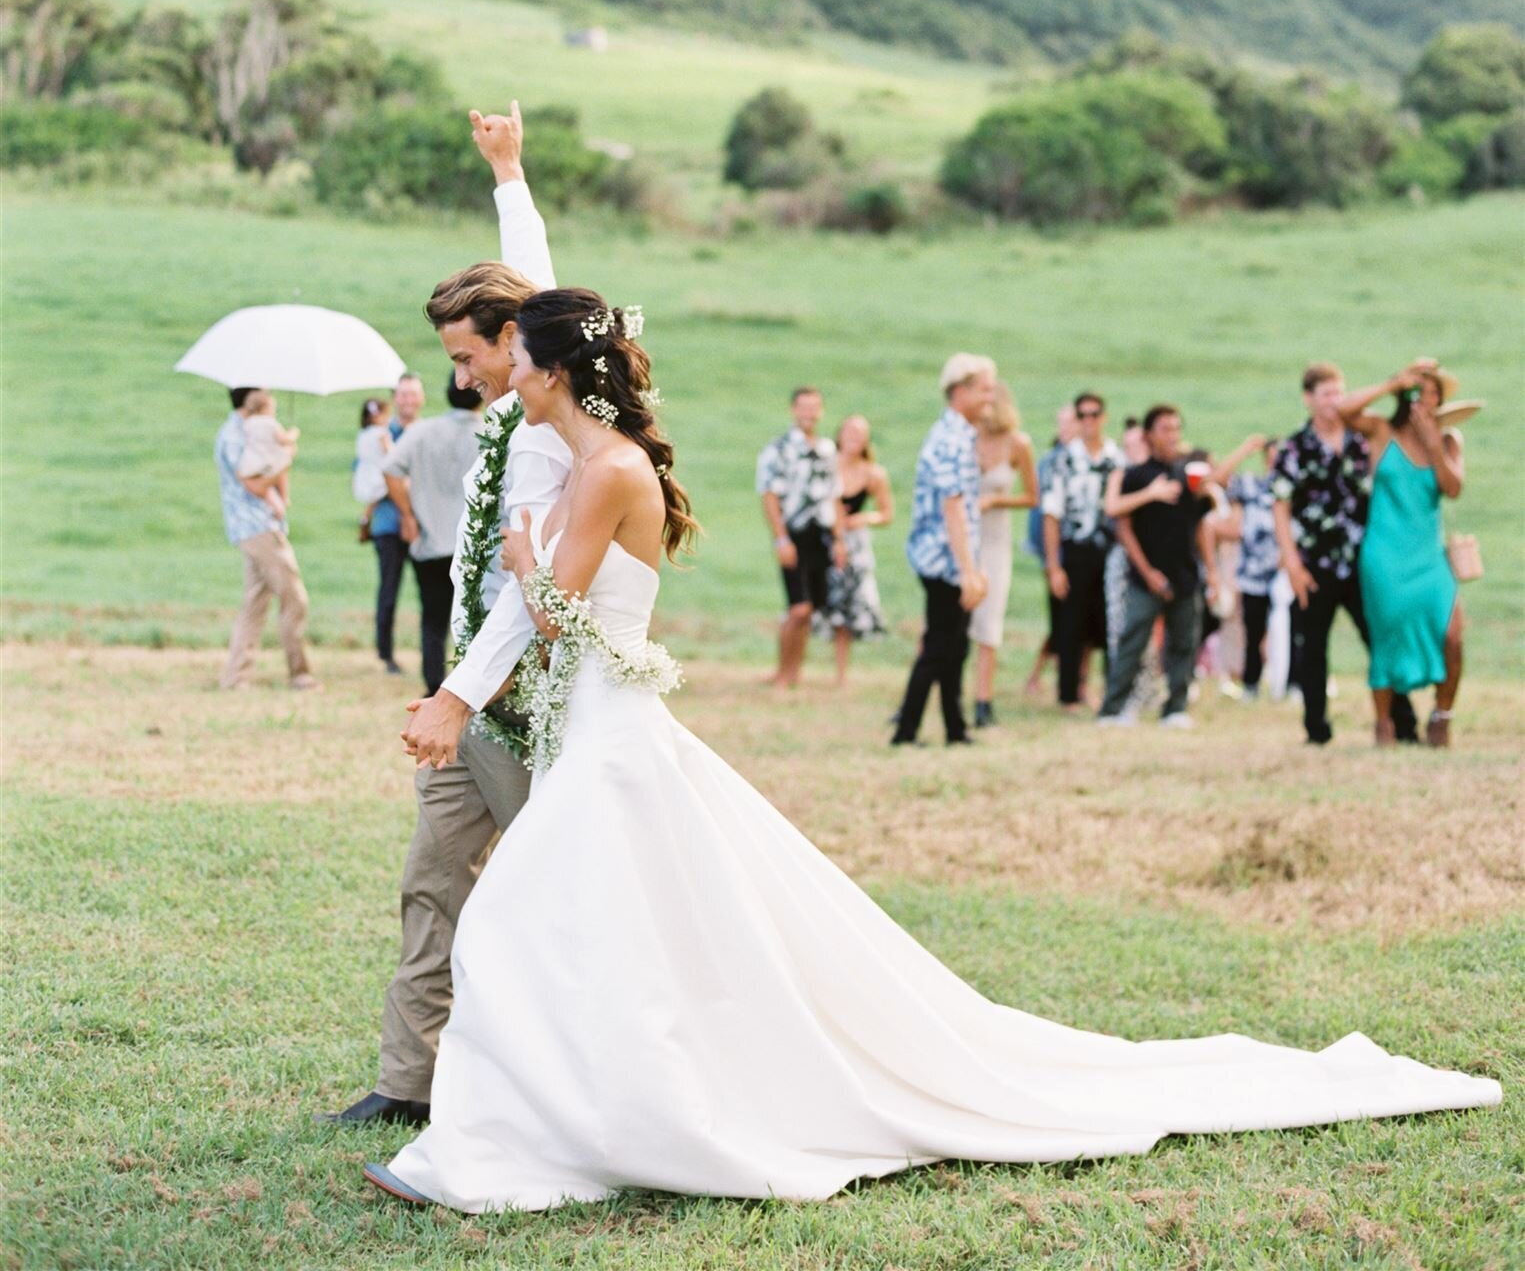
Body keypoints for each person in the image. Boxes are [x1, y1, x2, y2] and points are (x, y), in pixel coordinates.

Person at [359, 291, 1500, 1215]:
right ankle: (568, 1117)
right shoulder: (584, 452)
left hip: (613, 727)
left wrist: (513, 550)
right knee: (593, 925)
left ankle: (517, 1139)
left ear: (553, 368)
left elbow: (559, 614)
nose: (503, 371)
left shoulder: (608, 469)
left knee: (515, 917)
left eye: (517, 357)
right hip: (604, 724)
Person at [322, 104, 568, 1131]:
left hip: (521, 703)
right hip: (469, 699)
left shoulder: (549, 432)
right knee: (430, 881)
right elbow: (534, 281)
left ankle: (556, 1082)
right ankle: (405, 1080)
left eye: (467, 356)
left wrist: (460, 689)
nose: (458, 376)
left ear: (514, 344)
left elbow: (526, 588)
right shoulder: (505, 410)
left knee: (547, 899)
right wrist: (505, 171)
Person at [1270, 364, 1417, 748]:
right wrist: (1292, 563)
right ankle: (1316, 729)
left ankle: (1403, 723)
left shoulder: (1361, 438)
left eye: (1339, 393)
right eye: (1325, 394)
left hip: (1363, 559)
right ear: (1308, 399)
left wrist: (1396, 384)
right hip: (1315, 561)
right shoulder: (1294, 447)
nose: (1334, 402)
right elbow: (1280, 507)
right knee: (1313, 647)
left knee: (1379, 639)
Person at [1338, 363, 1469, 748]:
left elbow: (1453, 488)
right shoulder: (1382, 432)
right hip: (1385, 557)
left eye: (1430, 392)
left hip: (1428, 557)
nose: (1422, 399)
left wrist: (1433, 444)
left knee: (1453, 636)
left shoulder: (1449, 441)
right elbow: (1343, 412)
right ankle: (1383, 725)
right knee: (1387, 638)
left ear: (1440, 400)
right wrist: (1389, 381)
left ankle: (1442, 717)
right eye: (1415, 391)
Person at [891, 355, 993, 747]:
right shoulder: (950, 439)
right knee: (938, 646)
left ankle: (955, 727)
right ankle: (906, 730)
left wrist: (974, 566)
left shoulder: (961, 434)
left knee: (956, 646)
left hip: (954, 558)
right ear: (961, 390)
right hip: (942, 559)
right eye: (984, 388)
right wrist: (969, 570)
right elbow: (953, 507)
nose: (990, 396)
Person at [1096, 405, 1219, 728]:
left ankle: (1175, 708)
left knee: (1183, 644)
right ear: (1150, 435)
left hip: (1185, 574)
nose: (1172, 435)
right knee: (1132, 642)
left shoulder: (1189, 475)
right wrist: (1147, 572)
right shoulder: (1136, 475)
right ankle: (1113, 708)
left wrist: (1212, 571)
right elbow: (1122, 525)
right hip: (1144, 575)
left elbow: (1202, 525)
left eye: (1177, 428)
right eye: (1165, 428)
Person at [383, 374, 486, 697]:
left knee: (433, 618)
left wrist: (407, 515)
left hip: (429, 539)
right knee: (473, 619)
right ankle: (467, 687)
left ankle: (432, 686)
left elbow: (390, 467)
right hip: (472, 545)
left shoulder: (423, 431)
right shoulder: (489, 432)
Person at [214, 386, 316, 692]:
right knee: (294, 597)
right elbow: (254, 485)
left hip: (261, 525)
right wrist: (286, 459)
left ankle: (236, 676)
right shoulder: (234, 436)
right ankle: (300, 672)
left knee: (256, 601)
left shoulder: (249, 430)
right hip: (256, 527)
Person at [757, 389, 843, 691]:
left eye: (814, 407)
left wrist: (839, 540)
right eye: (803, 407)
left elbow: (834, 496)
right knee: (798, 608)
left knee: (812, 608)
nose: (809, 413)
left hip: (821, 535)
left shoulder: (828, 450)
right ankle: (781, 671)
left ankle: (795, 672)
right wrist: (781, 539)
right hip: (794, 533)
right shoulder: (778, 449)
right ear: (794, 410)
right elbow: (769, 495)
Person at [1041, 391, 1122, 713]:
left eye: (1094, 414)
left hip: (1109, 551)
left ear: (1103, 417)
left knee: (1107, 623)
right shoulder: (1064, 460)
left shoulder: (1116, 458)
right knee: (1071, 623)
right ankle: (1068, 694)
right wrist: (1053, 565)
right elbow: (1051, 513)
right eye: (1082, 415)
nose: (1089, 421)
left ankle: (1108, 690)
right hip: (1074, 550)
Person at [969, 384, 1036, 727]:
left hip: (995, 540)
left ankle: (983, 701)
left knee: (988, 622)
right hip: (963, 539)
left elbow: (1031, 497)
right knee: (947, 620)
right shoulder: (965, 438)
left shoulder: (1018, 444)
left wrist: (996, 501)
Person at [817, 415, 891, 683]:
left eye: (860, 434)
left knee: (849, 606)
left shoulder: (874, 474)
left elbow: (886, 513)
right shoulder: (826, 467)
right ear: (839, 434)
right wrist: (836, 539)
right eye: (849, 431)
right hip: (825, 542)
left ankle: (841, 673)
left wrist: (864, 518)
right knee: (824, 603)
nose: (854, 438)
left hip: (856, 545)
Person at [1213, 434, 1278, 699]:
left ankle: (1293, 682)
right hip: (1254, 572)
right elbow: (1218, 479)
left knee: (1295, 630)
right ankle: (1251, 683)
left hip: (1286, 572)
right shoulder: (1252, 485)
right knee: (1253, 631)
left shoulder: (1299, 486)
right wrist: (1245, 448)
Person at [370, 374, 425, 677]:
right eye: (402, 395)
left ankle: (428, 651)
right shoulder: (380, 435)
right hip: (389, 523)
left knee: (429, 591)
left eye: (412, 394)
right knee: (389, 588)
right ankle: (386, 653)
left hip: (422, 523)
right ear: (395, 399)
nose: (407, 401)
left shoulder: (426, 433)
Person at [1022, 403, 1077, 699]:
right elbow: (1039, 515)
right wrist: (1048, 559)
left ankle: (1069, 680)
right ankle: (1038, 676)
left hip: (1082, 554)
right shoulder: (1050, 462)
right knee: (1061, 620)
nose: (1065, 429)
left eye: (1070, 423)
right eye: (1062, 423)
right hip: (1056, 556)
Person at [235, 389, 299, 518]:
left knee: (266, 491)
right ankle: (284, 499)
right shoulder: (271, 424)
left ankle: (277, 506)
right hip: (267, 462)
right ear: (265, 408)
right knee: (284, 461)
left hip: (250, 464)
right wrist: (294, 432)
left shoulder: (248, 423)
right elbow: (284, 440)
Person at [353, 395, 393, 537]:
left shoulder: (363, 433)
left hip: (366, 472)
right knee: (392, 489)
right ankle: (366, 519)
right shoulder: (381, 434)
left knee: (373, 501)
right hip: (378, 473)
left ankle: (365, 519)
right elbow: (390, 453)